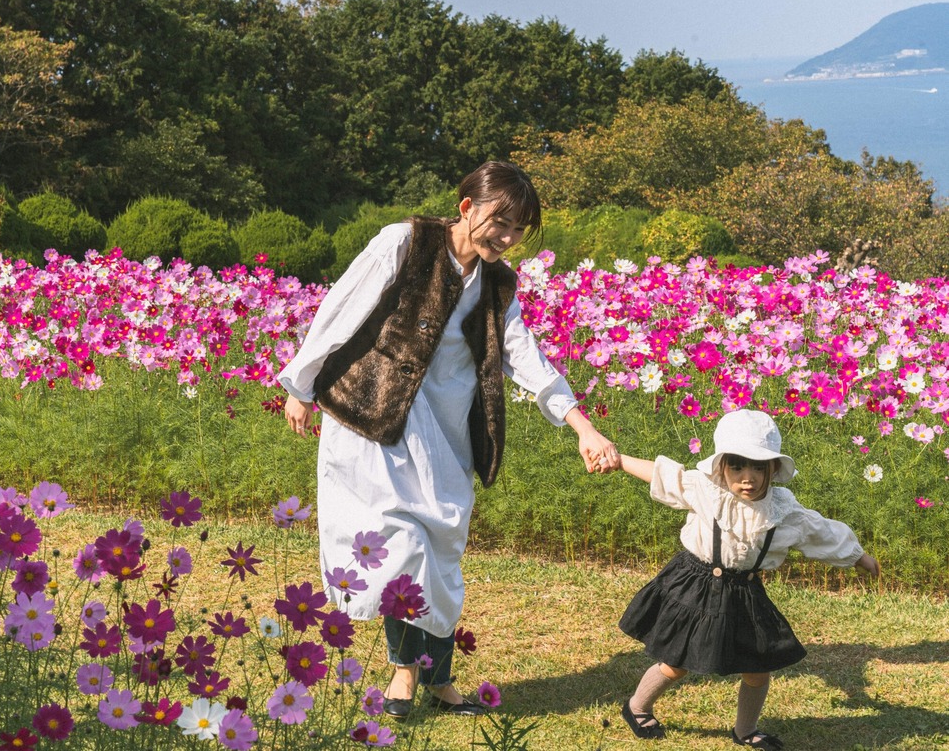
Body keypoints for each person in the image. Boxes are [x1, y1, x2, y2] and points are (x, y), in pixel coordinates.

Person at [277, 161, 618, 718]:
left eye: (518, 231)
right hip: (377, 419)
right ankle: (405, 678)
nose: (507, 239)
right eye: (500, 223)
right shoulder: (406, 243)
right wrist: (301, 382)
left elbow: (523, 356)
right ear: (467, 209)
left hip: (448, 431)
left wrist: (581, 425)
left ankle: (438, 680)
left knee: (440, 551)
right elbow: (341, 307)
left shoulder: (497, 282)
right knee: (404, 548)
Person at [609, 409, 880, 749]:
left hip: (745, 592)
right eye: (737, 466)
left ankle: (745, 730)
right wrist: (619, 460)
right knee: (676, 663)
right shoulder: (707, 490)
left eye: (758, 467)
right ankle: (637, 707)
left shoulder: (783, 510)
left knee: (757, 669)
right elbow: (665, 476)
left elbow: (819, 531)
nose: (747, 477)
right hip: (696, 584)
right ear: (722, 467)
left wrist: (857, 556)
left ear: (772, 470)